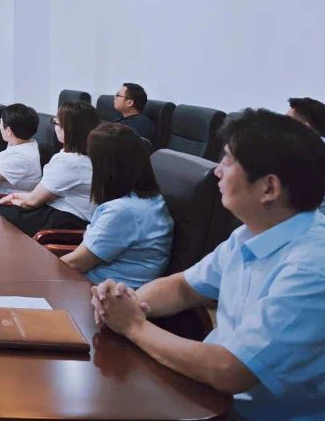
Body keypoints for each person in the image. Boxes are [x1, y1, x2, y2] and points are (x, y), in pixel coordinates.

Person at [92, 109, 325, 420]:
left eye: (228, 161)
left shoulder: (311, 267)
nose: (217, 171)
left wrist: (133, 325)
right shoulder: (251, 232)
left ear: (269, 188)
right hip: (210, 394)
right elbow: (184, 287)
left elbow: (232, 370)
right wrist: (124, 301)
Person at [61, 122, 172, 287]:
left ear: (106, 167)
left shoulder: (123, 211)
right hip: (106, 286)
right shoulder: (152, 199)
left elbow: (77, 263)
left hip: (103, 291)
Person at [0, 100, 101, 233]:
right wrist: (14, 197)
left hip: (62, 220)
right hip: (69, 216)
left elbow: (33, 201)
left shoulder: (69, 161)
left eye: (56, 122)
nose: (54, 127)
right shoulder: (93, 155)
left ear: (69, 130)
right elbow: (43, 195)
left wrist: (14, 200)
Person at [112, 82, 156, 147]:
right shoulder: (121, 116)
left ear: (130, 102)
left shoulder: (141, 124)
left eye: (118, 95)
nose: (114, 97)